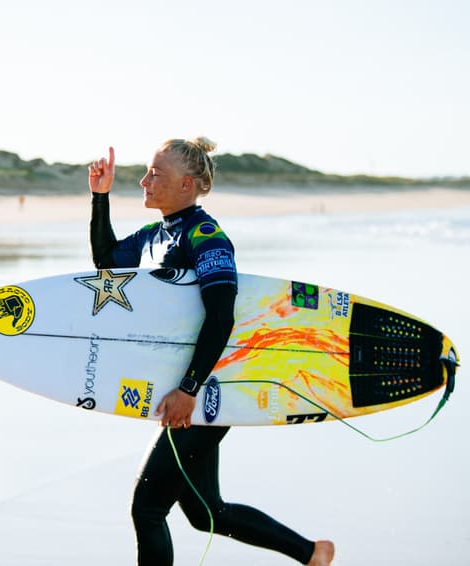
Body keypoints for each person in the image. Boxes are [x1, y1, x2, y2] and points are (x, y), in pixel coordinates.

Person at [87, 137, 335, 566]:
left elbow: (221, 318)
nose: (144, 181)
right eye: (146, 172)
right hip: (194, 383)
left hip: (212, 383)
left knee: (147, 508)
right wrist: (100, 196)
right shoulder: (156, 234)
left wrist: (188, 389)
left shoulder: (207, 238)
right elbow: (107, 263)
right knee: (206, 513)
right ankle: (312, 553)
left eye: (155, 174)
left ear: (187, 185)